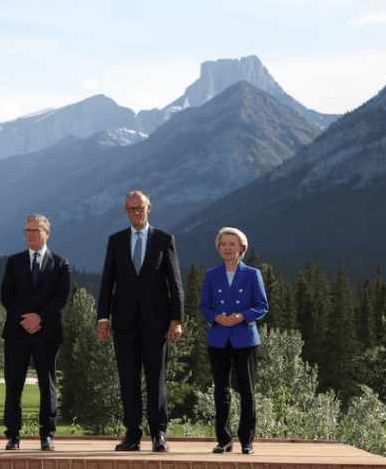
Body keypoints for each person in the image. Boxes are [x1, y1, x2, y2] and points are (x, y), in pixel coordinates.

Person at [96, 191, 184, 453]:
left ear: (149, 208)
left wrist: (177, 319)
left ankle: (158, 434)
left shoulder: (165, 240)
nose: (135, 213)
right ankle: (132, 435)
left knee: (156, 379)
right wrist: (103, 317)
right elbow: (107, 282)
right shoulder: (115, 240)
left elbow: (175, 283)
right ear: (126, 211)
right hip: (123, 323)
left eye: (140, 208)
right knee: (128, 379)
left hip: (157, 323)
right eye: (131, 209)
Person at [0, 214, 70, 451]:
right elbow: (6, 295)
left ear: (47, 233)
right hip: (16, 332)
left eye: (35, 230)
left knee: (47, 385)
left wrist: (39, 318)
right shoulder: (13, 261)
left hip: (47, 333)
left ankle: (47, 435)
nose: (30, 235)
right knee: (13, 386)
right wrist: (26, 319)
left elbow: (61, 297)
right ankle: (12, 436)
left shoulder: (60, 263)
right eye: (27, 231)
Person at [199, 227, 268, 455]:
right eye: (223, 244)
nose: (228, 248)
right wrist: (215, 317)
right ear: (219, 248)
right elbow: (203, 306)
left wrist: (242, 316)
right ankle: (224, 441)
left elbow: (262, 306)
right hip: (218, 339)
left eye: (232, 244)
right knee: (221, 391)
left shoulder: (253, 274)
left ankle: (247, 441)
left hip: (245, 338)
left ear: (242, 248)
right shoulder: (212, 275)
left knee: (247, 392)